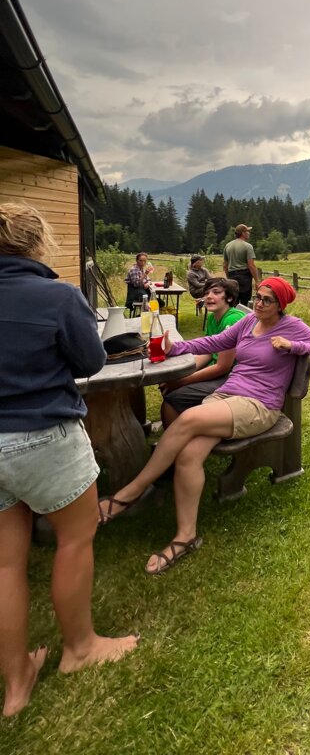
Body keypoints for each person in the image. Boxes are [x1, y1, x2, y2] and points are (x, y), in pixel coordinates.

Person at [0, 203, 138, 717]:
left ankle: (16, 681)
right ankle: (79, 649)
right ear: (37, 243)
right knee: (75, 538)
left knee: (6, 562)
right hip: (44, 434)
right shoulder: (56, 296)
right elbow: (92, 361)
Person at [99, 277, 310, 575]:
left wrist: (292, 345)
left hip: (258, 405)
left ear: (280, 306)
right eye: (258, 297)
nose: (259, 304)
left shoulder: (291, 325)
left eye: (266, 301)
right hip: (226, 395)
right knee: (188, 455)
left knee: (187, 419)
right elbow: (212, 343)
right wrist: (175, 348)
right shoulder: (248, 323)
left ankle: (128, 494)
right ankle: (186, 538)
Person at [159, 276, 245, 429]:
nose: (209, 296)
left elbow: (223, 367)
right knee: (169, 380)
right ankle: (181, 427)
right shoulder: (213, 318)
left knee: (172, 398)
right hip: (222, 372)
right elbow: (207, 353)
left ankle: (176, 442)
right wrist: (184, 373)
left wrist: (181, 381)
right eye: (206, 293)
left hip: (235, 377)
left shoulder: (232, 320)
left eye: (216, 292)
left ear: (230, 298)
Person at [222, 224, 258, 306]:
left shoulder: (227, 246)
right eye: (247, 231)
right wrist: (257, 281)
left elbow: (225, 265)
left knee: (233, 303)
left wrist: (229, 278)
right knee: (244, 304)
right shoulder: (248, 246)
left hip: (231, 276)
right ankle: (244, 319)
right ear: (243, 233)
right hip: (244, 277)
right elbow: (251, 265)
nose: (249, 233)